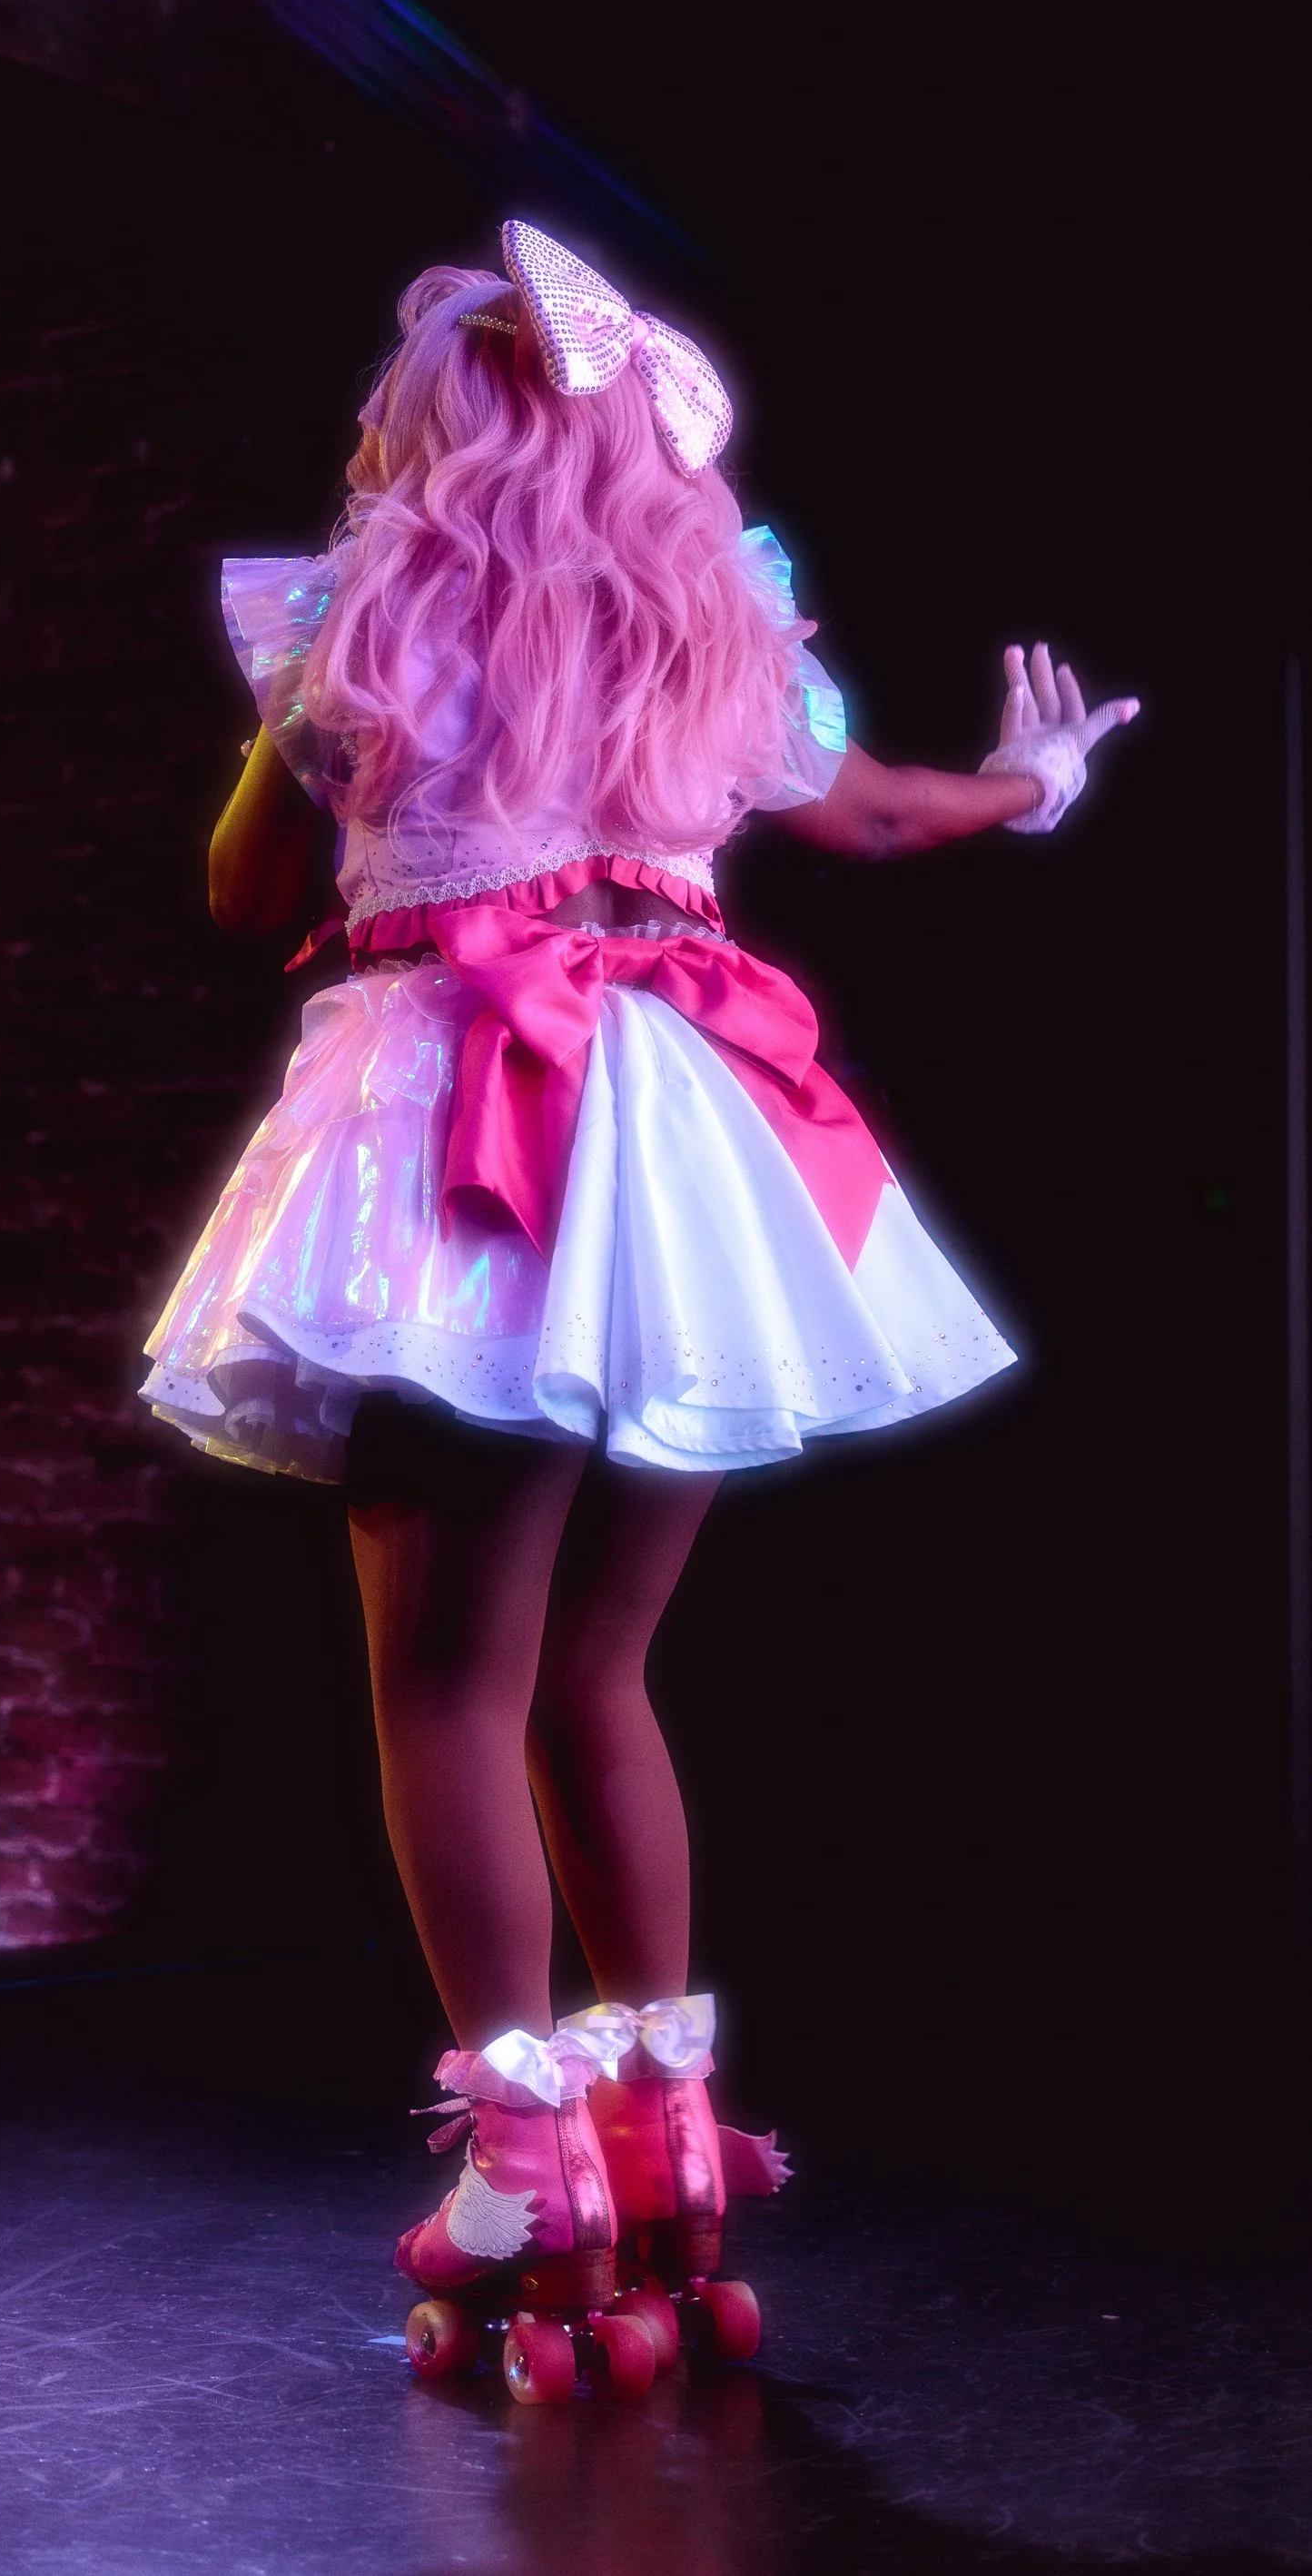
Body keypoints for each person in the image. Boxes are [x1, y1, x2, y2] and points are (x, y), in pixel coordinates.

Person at [141, 221, 1139, 2393]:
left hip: (472, 1108)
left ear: (443, 427)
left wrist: (280, 741)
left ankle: (523, 2154)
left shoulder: (365, 615)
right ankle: (665, 2128)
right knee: (601, 1657)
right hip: (683, 1138)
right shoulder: (714, 623)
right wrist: (1031, 783)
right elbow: (869, 812)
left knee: (446, 1679)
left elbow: (241, 897)